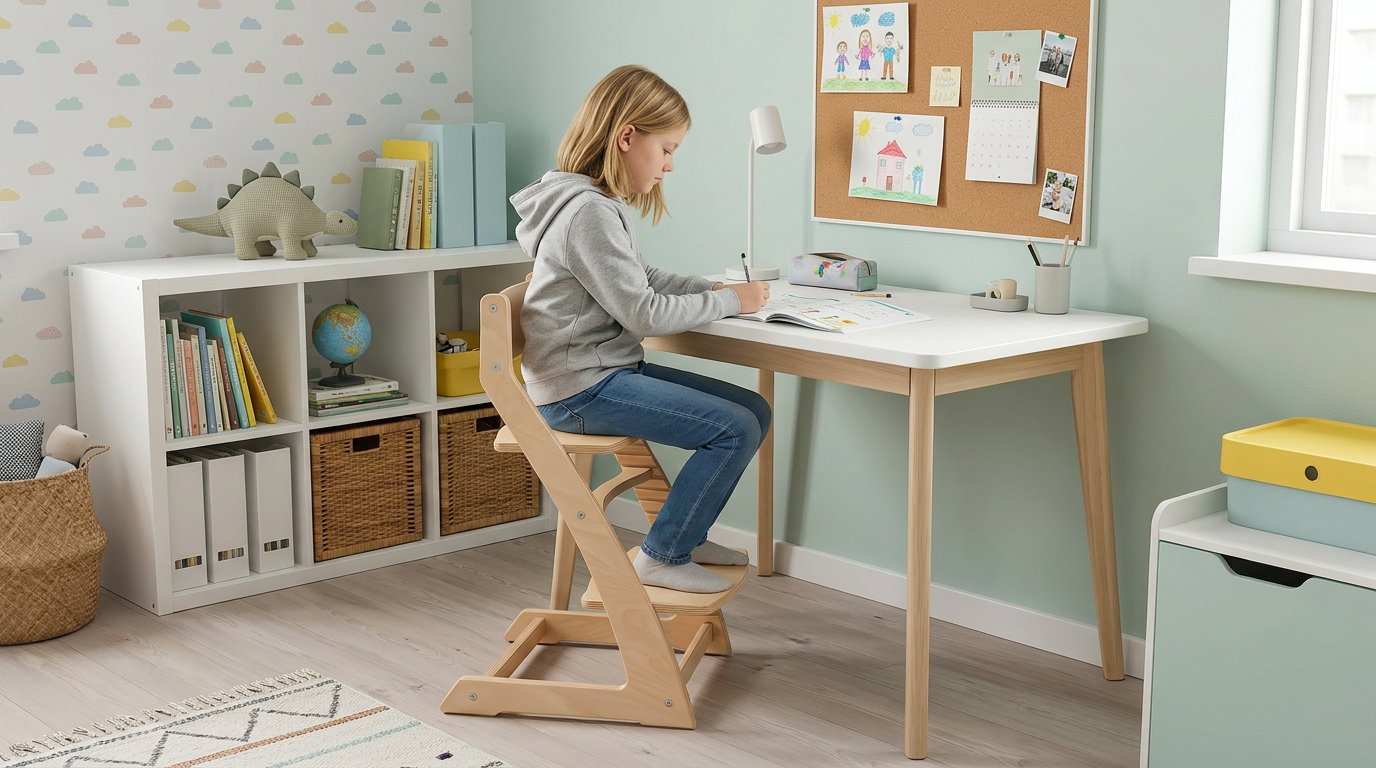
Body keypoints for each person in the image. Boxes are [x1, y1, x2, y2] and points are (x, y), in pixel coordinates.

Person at [510, 65, 772, 594]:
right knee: (734, 428)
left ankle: (684, 537)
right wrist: (727, 301)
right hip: (579, 389)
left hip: (601, 372)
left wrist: (712, 288)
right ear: (627, 137)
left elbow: (642, 278)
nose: (671, 165)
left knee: (755, 410)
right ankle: (662, 557)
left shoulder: (596, 203)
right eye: (667, 149)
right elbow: (644, 314)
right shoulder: (588, 212)